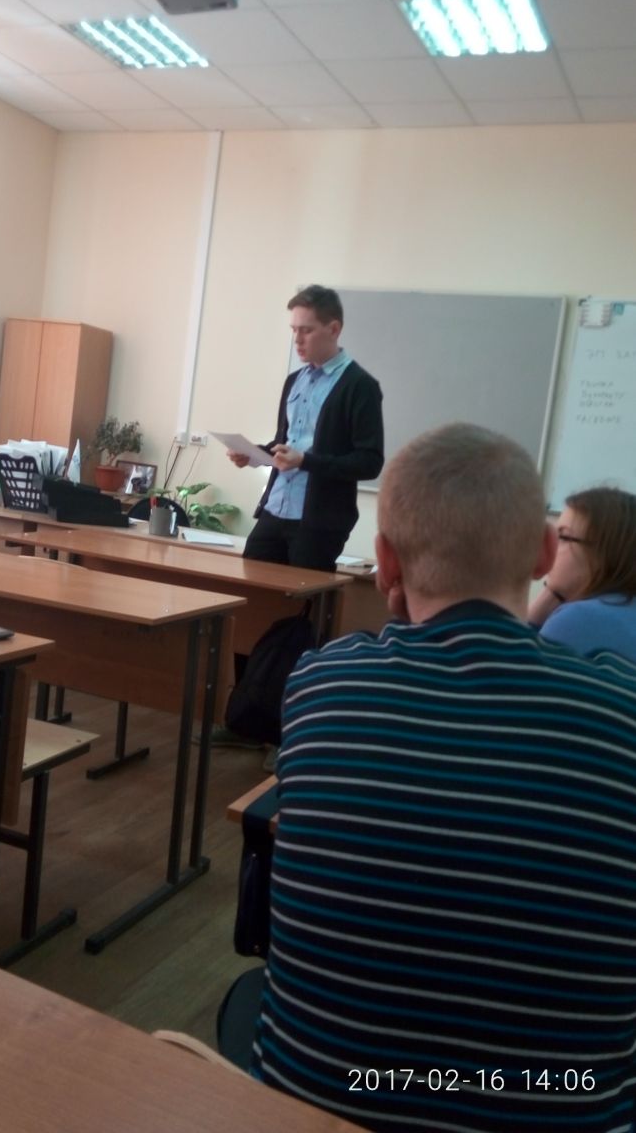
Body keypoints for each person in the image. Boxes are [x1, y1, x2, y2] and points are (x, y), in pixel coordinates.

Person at [249, 424, 636, 1133]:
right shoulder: (620, 708)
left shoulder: (321, 683)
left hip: (308, 1100)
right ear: (543, 552)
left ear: (384, 561)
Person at [228, 284, 384, 573]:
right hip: (275, 508)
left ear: (334, 329)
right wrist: (253, 454)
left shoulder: (360, 386)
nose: (297, 339)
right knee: (251, 589)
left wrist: (305, 461)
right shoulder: (295, 380)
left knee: (301, 600)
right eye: (294, 330)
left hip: (319, 522)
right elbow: (286, 443)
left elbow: (370, 462)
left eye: (306, 330)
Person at [529, 485, 636, 662]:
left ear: (603, 554)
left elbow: (511, 670)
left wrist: (531, 620)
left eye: (563, 537)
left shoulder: (581, 618)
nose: (549, 545)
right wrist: (550, 596)